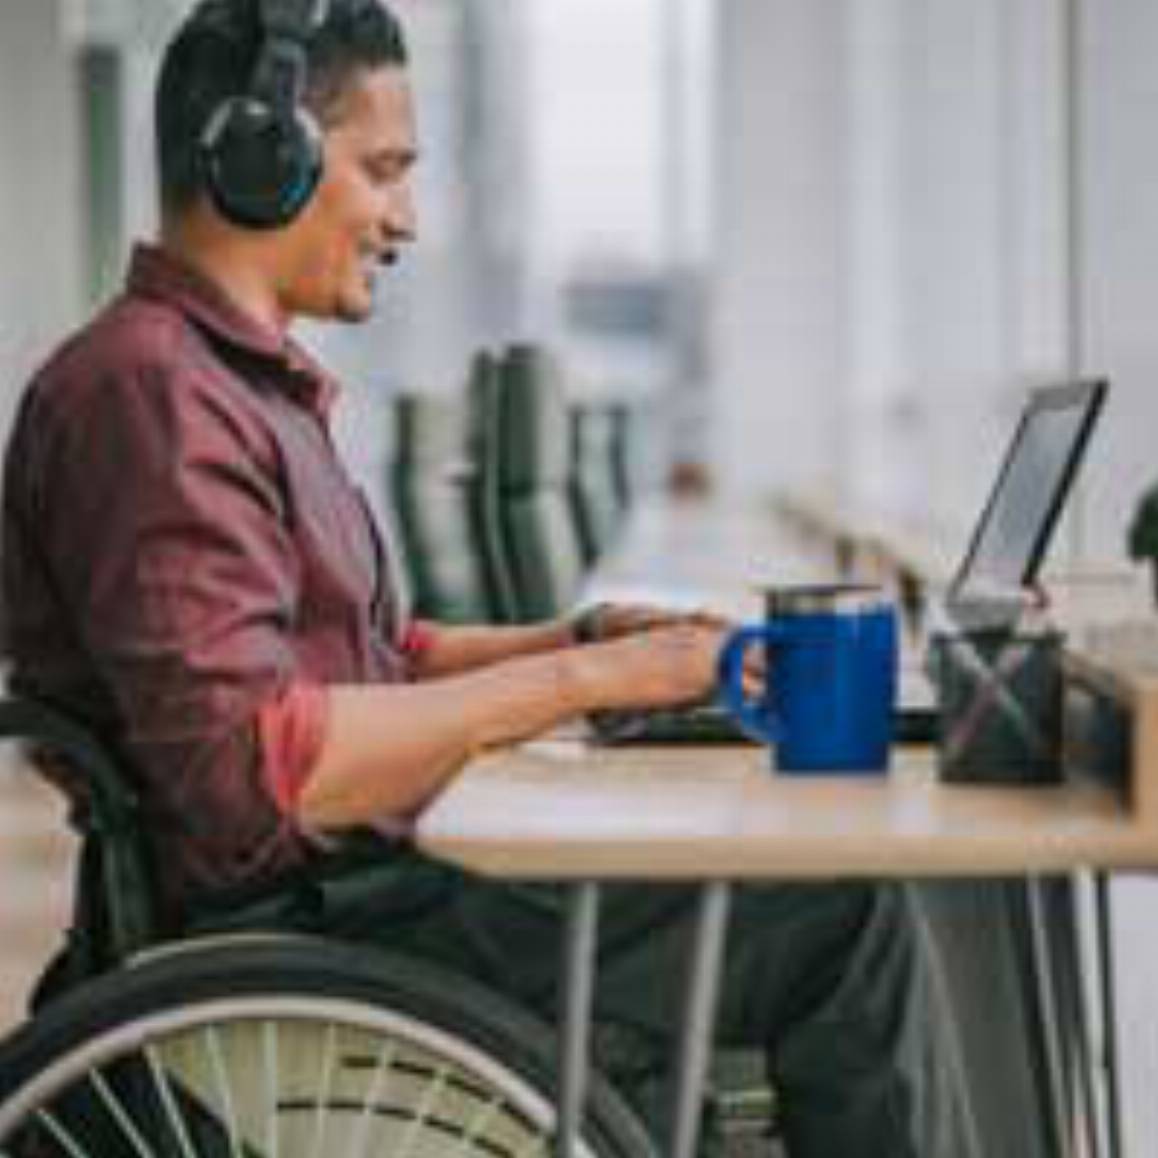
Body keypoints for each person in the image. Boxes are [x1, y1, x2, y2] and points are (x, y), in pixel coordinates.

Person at [0, 1, 979, 1153]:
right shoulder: (150, 395)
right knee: (841, 917)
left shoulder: (235, 387)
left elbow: (378, 658)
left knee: (819, 893)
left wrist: (573, 645)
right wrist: (589, 681)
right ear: (262, 156)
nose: (406, 219)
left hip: (365, 889)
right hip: (313, 929)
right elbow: (260, 774)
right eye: (383, 172)